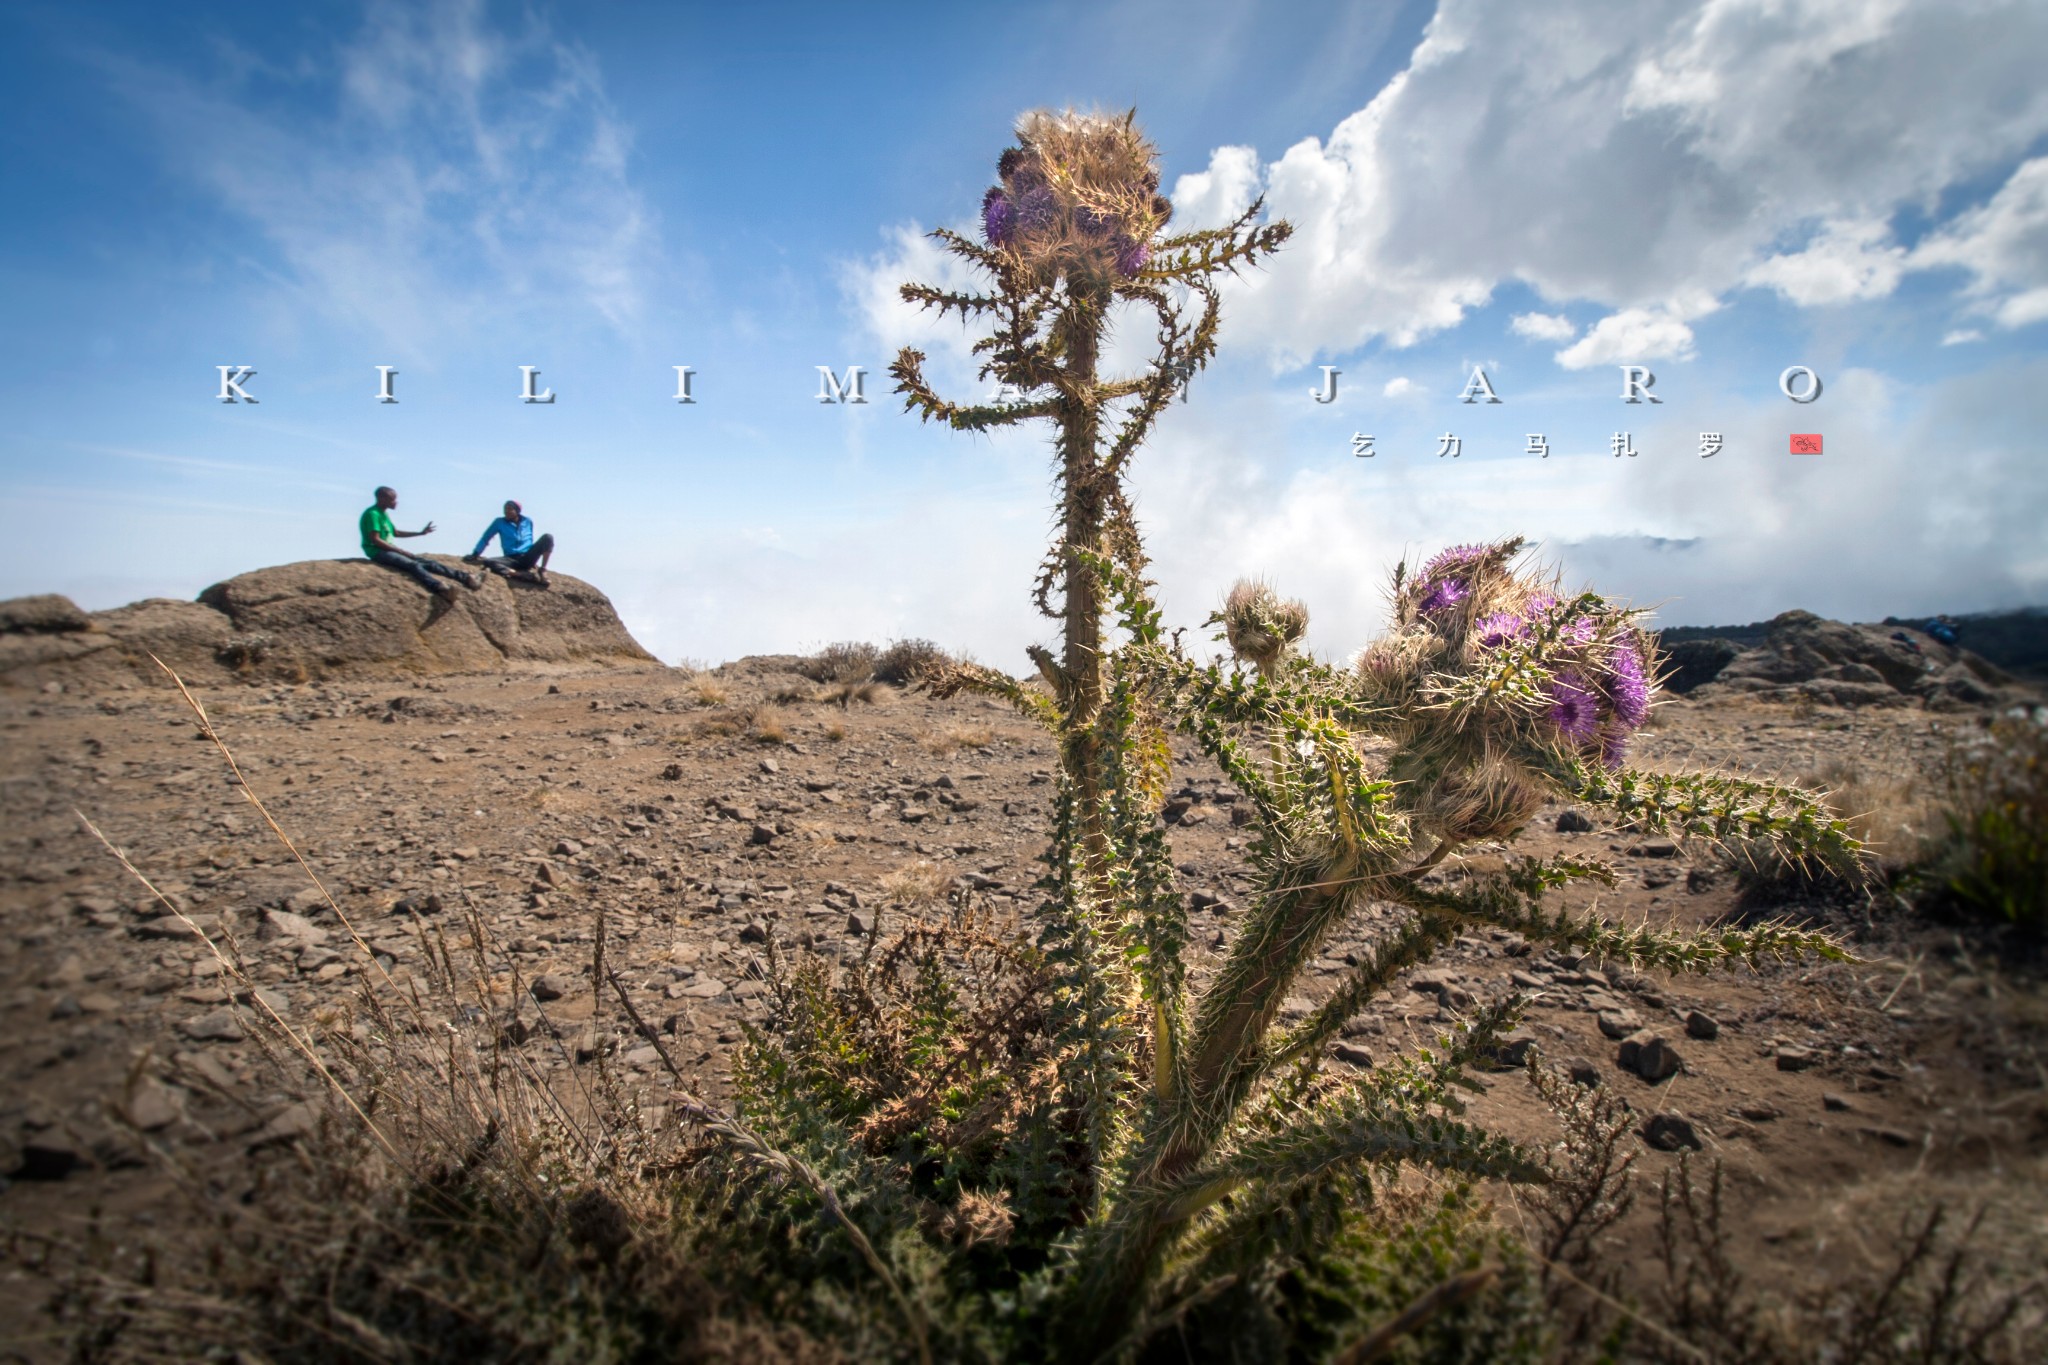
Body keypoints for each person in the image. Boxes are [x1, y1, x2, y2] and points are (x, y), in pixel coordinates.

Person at [359, 486, 477, 596]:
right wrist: (400, 551)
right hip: (377, 551)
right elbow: (375, 540)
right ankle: (439, 587)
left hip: (388, 549)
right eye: (392, 499)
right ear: (381, 498)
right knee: (413, 565)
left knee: (430, 563)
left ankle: (466, 578)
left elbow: (396, 533)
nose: (395, 502)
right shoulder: (372, 514)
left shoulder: (383, 513)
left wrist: (420, 533)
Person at [466, 499, 556, 585]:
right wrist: (475, 553)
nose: (506, 512)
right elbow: (485, 538)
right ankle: (518, 574)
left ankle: (543, 570)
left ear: (517, 511)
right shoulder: (499, 522)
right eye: (505, 509)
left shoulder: (527, 521)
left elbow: (529, 539)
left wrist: (533, 558)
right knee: (488, 561)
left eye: (510, 509)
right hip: (511, 559)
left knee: (548, 537)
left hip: (527, 557)